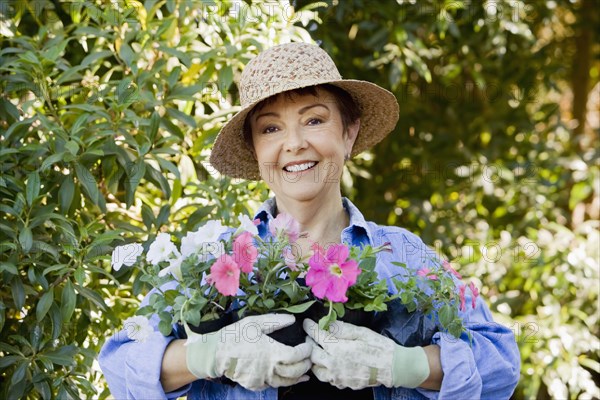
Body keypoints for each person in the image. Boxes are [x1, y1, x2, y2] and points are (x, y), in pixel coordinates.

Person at [99, 42, 520, 399]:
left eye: (314, 120)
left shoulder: (401, 254)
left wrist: (404, 364)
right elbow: (120, 362)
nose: (294, 144)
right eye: (271, 129)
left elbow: (501, 364)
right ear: (254, 148)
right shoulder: (215, 260)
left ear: (348, 133)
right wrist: (208, 355)